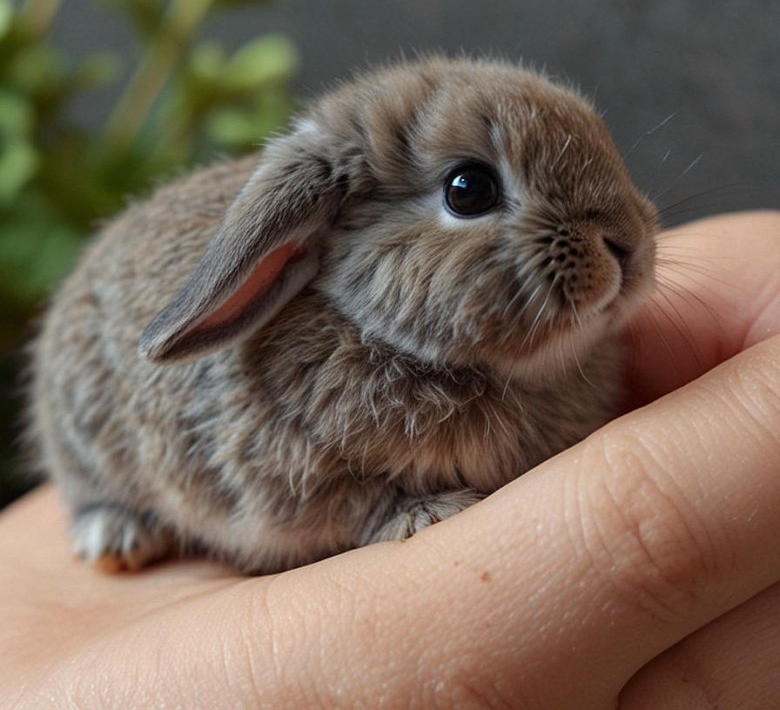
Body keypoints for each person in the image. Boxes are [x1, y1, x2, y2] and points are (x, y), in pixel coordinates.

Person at [1, 211, 778, 708]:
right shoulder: (309, 369)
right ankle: (102, 500)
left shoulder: (583, 355)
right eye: (471, 193)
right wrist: (375, 507)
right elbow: (267, 493)